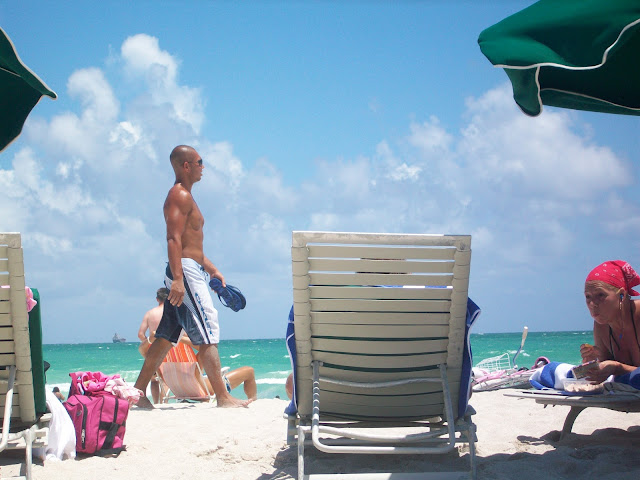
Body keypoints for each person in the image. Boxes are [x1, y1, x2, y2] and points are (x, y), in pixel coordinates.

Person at [133, 145, 250, 409]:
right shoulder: (179, 195)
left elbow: (190, 244)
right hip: (183, 271)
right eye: (199, 161)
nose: (203, 166)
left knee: (165, 336)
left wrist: (210, 268)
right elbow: (173, 238)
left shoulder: (186, 197)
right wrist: (177, 279)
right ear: (186, 166)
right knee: (208, 328)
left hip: (189, 268)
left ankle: (138, 395)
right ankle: (223, 396)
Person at [581, 260, 640, 383]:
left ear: (622, 295)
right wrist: (592, 362)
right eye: (588, 297)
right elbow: (605, 368)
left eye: (601, 295)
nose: (592, 304)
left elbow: (615, 369)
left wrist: (617, 367)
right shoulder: (602, 324)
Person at [137, 287, 170, 403]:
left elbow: (141, 334)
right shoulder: (172, 314)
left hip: (153, 348)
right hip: (170, 350)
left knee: (154, 378)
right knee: (165, 379)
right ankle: (164, 402)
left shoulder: (150, 313)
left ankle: (156, 403)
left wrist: (149, 344)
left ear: (157, 299)